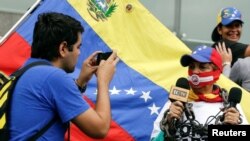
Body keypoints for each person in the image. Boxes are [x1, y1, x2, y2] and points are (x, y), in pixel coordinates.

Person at [9, 12, 119, 140]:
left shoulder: (25, 72)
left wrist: (80, 82)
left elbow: (48, 102)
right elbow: (100, 129)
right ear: (63, 48)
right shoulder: (53, 77)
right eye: (78, 47)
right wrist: (103, 81)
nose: (79, 53)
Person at [150, 45, 248, 141]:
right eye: (192, 67)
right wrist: (170, 123)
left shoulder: (230, 107)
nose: (195, 72)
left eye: (202, 67)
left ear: (216, 72)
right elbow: (154, 139)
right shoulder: (176, 102)